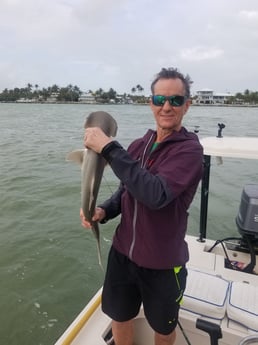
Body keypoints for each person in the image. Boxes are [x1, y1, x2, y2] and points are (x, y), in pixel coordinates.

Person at [80, 67, 203, 345]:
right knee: (120, 317)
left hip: (163, 263)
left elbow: (155, 194)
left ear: (187, 105)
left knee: (162, 327)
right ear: (151, 103)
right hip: (123, 256)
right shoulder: (139, 145)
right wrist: (103, 211)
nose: (167, 107)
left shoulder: (190, 151)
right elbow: (127, 191)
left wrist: (110, 148)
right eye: (160, 100)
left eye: (176, 100)